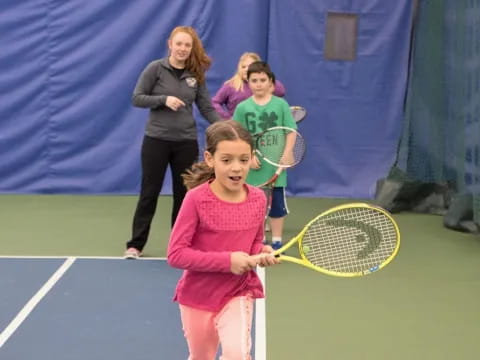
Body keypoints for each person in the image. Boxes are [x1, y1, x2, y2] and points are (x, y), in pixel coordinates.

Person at [167, 120, 279, 359]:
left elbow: (253, 243)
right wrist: (227, 261)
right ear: (210, 159)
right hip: (197, 296)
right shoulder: (195, 199)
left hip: (238, 292)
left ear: (252, 158)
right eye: (226, 160)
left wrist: (263, 251)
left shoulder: (258, 199)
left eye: (244, 160)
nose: (236, 168)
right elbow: (176, 254)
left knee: (237, 354)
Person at [125, 26, 220, 259]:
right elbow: (137, 98)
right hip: (156, 141)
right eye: (179, 44)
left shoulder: (195, 75)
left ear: (191, 48)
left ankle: (180, 246)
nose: (183, 49)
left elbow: (206, 106)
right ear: (170, 44)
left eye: (187, 45)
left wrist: (223, 126)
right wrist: (163, 99)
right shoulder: (155, 69)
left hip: (186, 143)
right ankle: (135, 245)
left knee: (185, 196)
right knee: (149, 193)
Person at [233, 61, 297, 251]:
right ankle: (257, 241)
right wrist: (248, 156)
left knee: (277, 206)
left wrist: (287, 153)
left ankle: (277, 241)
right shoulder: (242, 108)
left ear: (271, 82)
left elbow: (291, 131)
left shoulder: (281, 105)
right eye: (254, 80)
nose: (258, 84)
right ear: (248, 82)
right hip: (254, 168)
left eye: (263, 80)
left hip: (276, 166)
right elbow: (238, 136)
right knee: (254, 207)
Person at [212, 52, 286, 120]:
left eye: (250, 66)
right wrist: (228, 118)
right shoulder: (230, 85)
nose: (246, 69)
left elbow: (281, 91)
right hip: (239, 128)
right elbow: (214, 103)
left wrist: (267, 75)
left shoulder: (265, 84)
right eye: (243, 67)